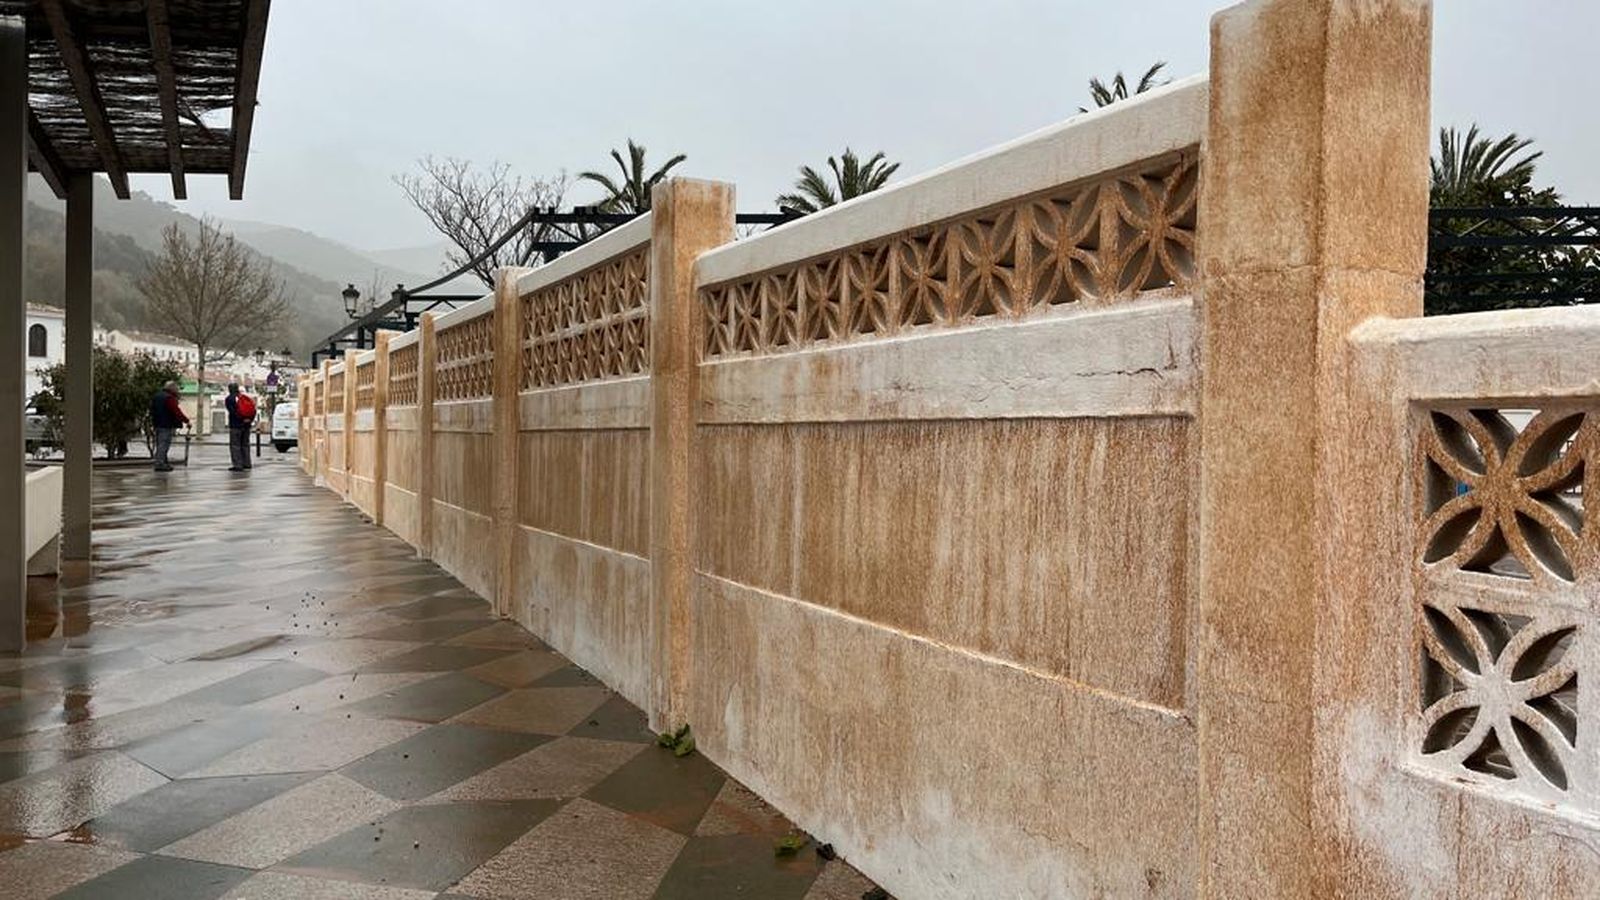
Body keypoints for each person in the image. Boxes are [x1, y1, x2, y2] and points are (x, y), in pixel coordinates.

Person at [150, 380, 189, 472]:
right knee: (164, 444)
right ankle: (160, 463)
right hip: (166, 424)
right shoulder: (169, 398)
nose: (177, 390)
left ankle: (163, 461)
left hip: (157, 423)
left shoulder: (157, 396)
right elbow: (176, 411)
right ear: (172, 388)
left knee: (160, 444)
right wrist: (186, 421)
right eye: (176, 388)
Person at [224, 383, 255, 472]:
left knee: (235, 445)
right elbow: (253, 410)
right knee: (245, 444)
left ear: (230, 389)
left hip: (236, 425)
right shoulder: (245, 397)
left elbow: (233, 412)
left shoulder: (229, 399)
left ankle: (238, 465)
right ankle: (247, 463)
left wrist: (241, 419)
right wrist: (249, 420)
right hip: (247, 425)